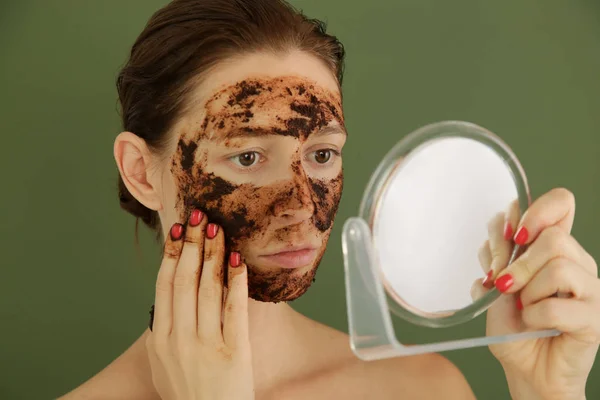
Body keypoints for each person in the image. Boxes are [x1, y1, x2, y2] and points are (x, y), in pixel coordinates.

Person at [59, 0, 600, 398]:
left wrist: (545, 391)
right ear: (141, 172)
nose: (299, 206)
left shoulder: (418, 390)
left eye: (321, 155)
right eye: (247, 158)